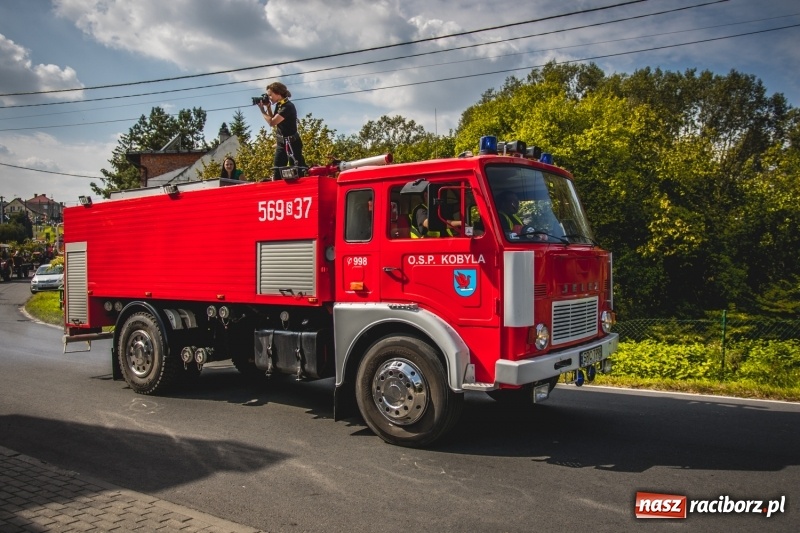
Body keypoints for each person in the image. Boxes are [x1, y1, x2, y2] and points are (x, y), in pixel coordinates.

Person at [256, 82, 306, 180]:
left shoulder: (287, 106)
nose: (269, 97)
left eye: (270, 95)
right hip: (281, 143)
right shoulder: (279, 105)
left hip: (292, 143)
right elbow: (272, 118)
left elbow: (272, 122)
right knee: (277, 170)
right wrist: (268, 107)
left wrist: (262, 110)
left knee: (296, 171)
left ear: (278, 94)